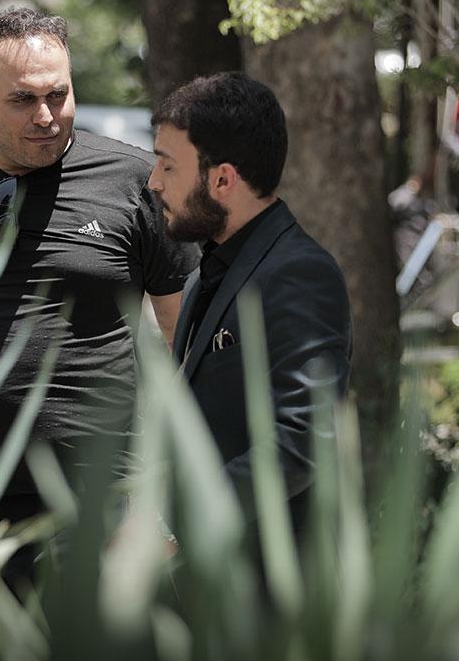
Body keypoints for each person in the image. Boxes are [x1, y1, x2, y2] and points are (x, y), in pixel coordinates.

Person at [0, 7, 197, 572]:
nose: (46, 116)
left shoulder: (136, 182)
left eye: (58, 95)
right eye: (22, 100)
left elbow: (188, 344)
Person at [146, 71, 352, 521]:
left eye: (167, 166)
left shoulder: (300, 274)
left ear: (222, 180)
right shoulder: (207, 271)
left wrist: (185, 524)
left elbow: (305, 439)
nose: (154, 182)